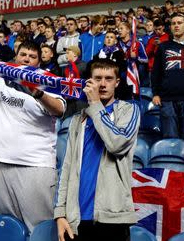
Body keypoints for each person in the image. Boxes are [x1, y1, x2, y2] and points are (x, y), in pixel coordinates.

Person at [0, 41, 66, 232]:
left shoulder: (48, 80)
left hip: (34, 164)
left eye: (32, 56)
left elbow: (60, 109)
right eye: (23, 54)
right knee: (4, 224)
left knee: (40, 227)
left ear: (38, 63)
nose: (27, 59)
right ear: (16, 56)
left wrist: (38, 93)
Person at [54, 59, 140, 241]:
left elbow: (117, 143)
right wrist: (60, 213)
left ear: (117, 82)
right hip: (75, 218)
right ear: (89, 82)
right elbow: (67, 167)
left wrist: (95, 105)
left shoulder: (129, 110)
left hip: (112, 218)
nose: (102, 84)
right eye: (97, 78)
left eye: (108, 79)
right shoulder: (78, 119)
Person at [151, 13, 184, 141]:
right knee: (170, 139)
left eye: (179, 23)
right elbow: (156, 72)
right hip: (167, 98)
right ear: (170, 27)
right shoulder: (163, 47)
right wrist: (155, 93)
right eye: (173, 23)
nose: (176, 26)